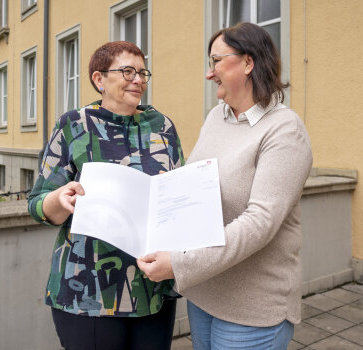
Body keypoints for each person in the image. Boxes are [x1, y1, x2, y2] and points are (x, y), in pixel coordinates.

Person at [137, 22, 313, 349]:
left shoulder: (286, 131)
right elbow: (202, 184)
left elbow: (259, 223)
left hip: (252, 308)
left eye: (216, 61)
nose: (209, 73)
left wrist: (179, 263)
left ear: (248, 63)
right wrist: (174, 188)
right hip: (205, 293)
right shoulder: (216, 117)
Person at [27, 41, 185, 350]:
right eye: (127, 71)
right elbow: (36, 204)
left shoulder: (163, 127)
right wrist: (60, 199)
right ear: (99, 79)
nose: (138, 79)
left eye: (142, 72)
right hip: (88, 292)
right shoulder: (73, 125)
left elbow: (178, 197)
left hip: (152, 289)